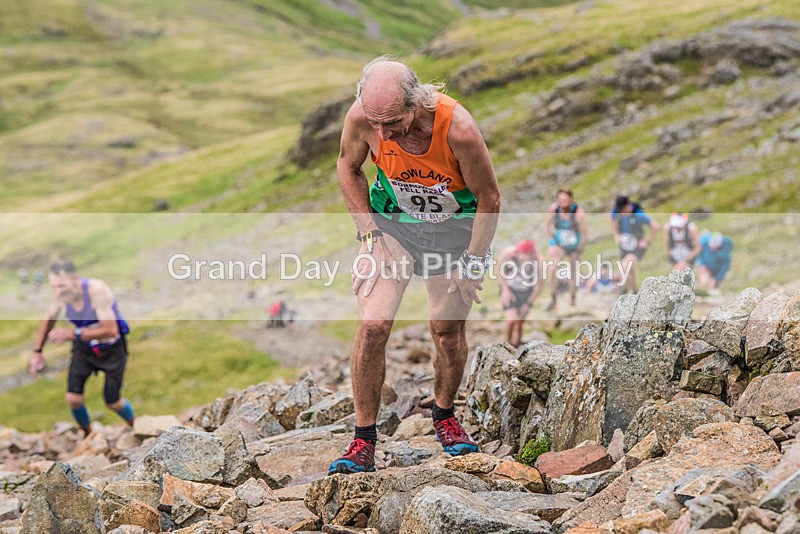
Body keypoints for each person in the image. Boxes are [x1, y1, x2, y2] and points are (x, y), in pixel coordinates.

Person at [329, 56, 500, 474]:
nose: (382, 133)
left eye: (393, 123)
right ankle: (363, 440)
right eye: (375, 123)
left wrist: (473, 263)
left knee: (446, 333)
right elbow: (347, 167)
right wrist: (369, 234)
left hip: (452, 232)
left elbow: (489, 199)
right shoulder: (364, 119)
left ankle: (444, 416)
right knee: (373, 327)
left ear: (416, 103)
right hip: (394, 228)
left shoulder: (457, 128)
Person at [29, 260, 135, 435]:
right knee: (73, 398)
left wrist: (73, 334)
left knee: (112, 401)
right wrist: (37, 352)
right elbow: (48, 320)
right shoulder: (60, 297)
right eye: (53, 287)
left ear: (75, 279)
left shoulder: (96, 290)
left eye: (61, 285)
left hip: (112, 348)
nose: (57, 291)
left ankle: (137, 425)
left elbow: (110, 329)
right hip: (84, 348)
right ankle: (88, 434)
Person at [544, 188, 587, 311]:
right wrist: (552, 243)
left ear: (571, 199)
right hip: (559, 244)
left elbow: (585, 235)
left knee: (573, 272)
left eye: (566, 200)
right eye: (561, 200)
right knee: (552, 268)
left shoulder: (578, 213)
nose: (563, 203)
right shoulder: (554, 210)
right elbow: (547, 227)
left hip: (574, 246)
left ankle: (573, 298)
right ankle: (553, 298)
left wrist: (578, 250)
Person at [611, 196, 659, 294]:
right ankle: (634, 292)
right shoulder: (617, 213)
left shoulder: (638, 215)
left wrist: (647, 241)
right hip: (625, 247)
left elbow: (655, 226)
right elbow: (612, 220)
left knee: (625, 266)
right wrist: (616, 235)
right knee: (630, 269)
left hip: (637, 247)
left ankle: (623, 291)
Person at [498, 240, 541, 348]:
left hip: (526, 293)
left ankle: (516, 348)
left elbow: (539, 286)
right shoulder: (509, 253)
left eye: (528, 256)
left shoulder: (538, 261)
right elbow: (498, 269)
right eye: (523, 254)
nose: (525, 258)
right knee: (512, 320)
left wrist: (528, 303)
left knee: (519, 322)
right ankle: (506, 346)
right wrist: (505, 290)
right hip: (510, 290)